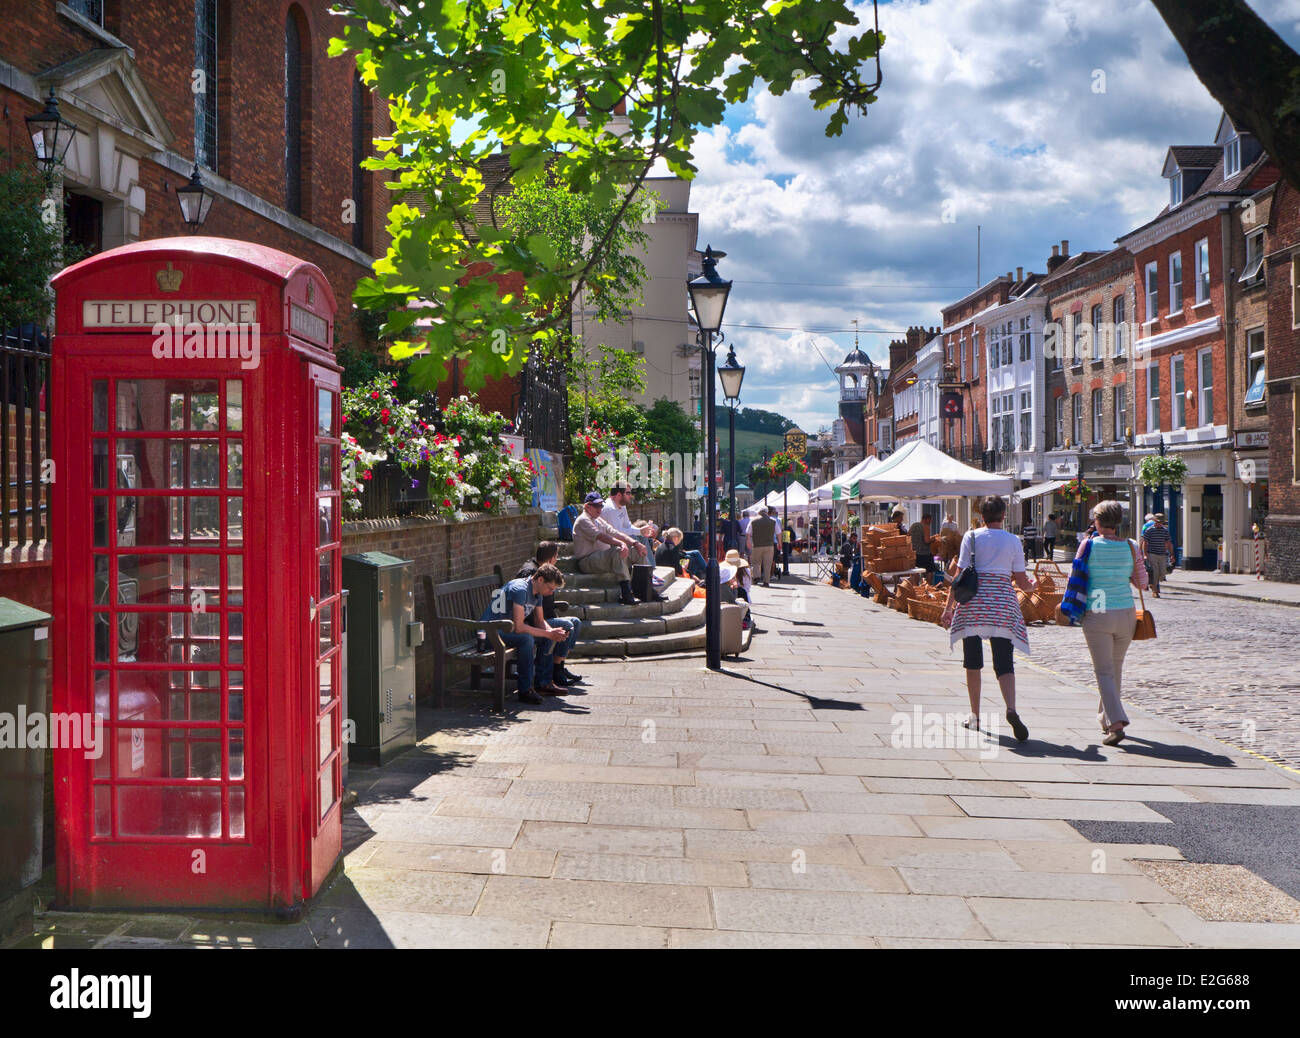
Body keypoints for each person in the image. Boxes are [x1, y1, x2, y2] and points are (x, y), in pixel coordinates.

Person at [940, 496, 1036, 742]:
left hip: (973, 603)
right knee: (1004, 663)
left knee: (973, 662)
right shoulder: (1013, 540)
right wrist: (1032, 587)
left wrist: (948, 608)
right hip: (1002, 604)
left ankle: (975, 717)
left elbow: (959, 574)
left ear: (981, 515)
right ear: (1003, 515)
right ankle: (1011, 709)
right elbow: (1022, 581)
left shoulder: (971, 537)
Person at [1072, 500, 1148, 746]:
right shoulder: (1131, 545)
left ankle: (1116, 724)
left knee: (1104, 671)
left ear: (1097, 521)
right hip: (1126, 613)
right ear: (1118, 522)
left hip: (1098, 611)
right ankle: (1105, 720)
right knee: (1115, 669)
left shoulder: (1088, 545)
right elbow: (1142, 582)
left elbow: (1076, 576)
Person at [482, 563, 571, 705]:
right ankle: (525, 690)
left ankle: (543, 682)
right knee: (526, 639)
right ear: (540, 580)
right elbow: (519, 627)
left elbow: (540, 622)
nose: (551, 592)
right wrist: (548, 634)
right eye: (550, 588)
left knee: (544, 636)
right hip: (490, 633)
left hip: (505, 631)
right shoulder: (520, 589)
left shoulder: (537, 593)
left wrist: (552, 632)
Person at [515, 542, 583, 687]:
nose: (557, 560)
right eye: (557, 556)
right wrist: (548, 629)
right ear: (551, 558)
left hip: (543, 617)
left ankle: (558, 666)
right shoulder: (532, 573)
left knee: (575, 621)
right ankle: (553, 673)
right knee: (566, 625)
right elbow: (529, 610)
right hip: (530, 621)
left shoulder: (542, 572)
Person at [572, 492, 643, 606]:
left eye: (601, 505)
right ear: (587, 506)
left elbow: (615, 532)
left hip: (604, 558)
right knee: (618, 551)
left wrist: (635, 543)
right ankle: (626, 593)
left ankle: (646, 590)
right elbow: (601, 536)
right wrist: (621, 543)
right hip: (587, 561)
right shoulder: (583, 520)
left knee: (638, 552)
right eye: (596, 506)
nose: (599, 509)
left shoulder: (598, 519)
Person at [605, 482, 654, 562]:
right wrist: (639, 531)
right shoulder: (610, 509)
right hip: (610, 543)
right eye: (628, 493)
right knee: (635, 539)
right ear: (618, 495)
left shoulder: (622, 506)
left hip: (619, 538)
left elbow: (628, 526)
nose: (630, 496)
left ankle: (650, 568)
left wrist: (642, 531)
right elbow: (617, 533)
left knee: (643, 537)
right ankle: (647, 570)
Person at [1141, 512, 1173, 598]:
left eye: (1161, 522)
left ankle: (1152, 583)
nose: (1159, 524)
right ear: (1154, 521)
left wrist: (1171, 554)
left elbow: (1169, 542)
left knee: (1162, 573)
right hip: (1152, 554)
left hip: (1162, 554)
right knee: (1155, 572)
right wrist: (1145, 554)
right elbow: (1145, 542)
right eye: (1158, 522)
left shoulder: (1165, 530)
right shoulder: (1149, 530)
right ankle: (1155, 590)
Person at [749, 507, 777, 587]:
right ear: (767, 512)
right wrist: (779, 543)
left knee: (756, 562)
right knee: (767, 564)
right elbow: (778, 533)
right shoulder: (773, 521)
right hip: (769, 545)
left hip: (757, 545)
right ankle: (766, 581)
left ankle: (757, 577)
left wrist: (748, 542)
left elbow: (748, 532)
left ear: (759, 513)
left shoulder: (753, 521)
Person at [909, 514, 936, 584]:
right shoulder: (926, 527)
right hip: (925, 553)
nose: (930, 522)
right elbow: (927, 540)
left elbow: (907, 537)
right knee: (929, 571)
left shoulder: (913, 525)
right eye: (930, 520)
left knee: (915, 571)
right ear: (926, 519)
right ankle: (928, 587)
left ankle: (916, 588)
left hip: (914, 553)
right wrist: (933, 539)